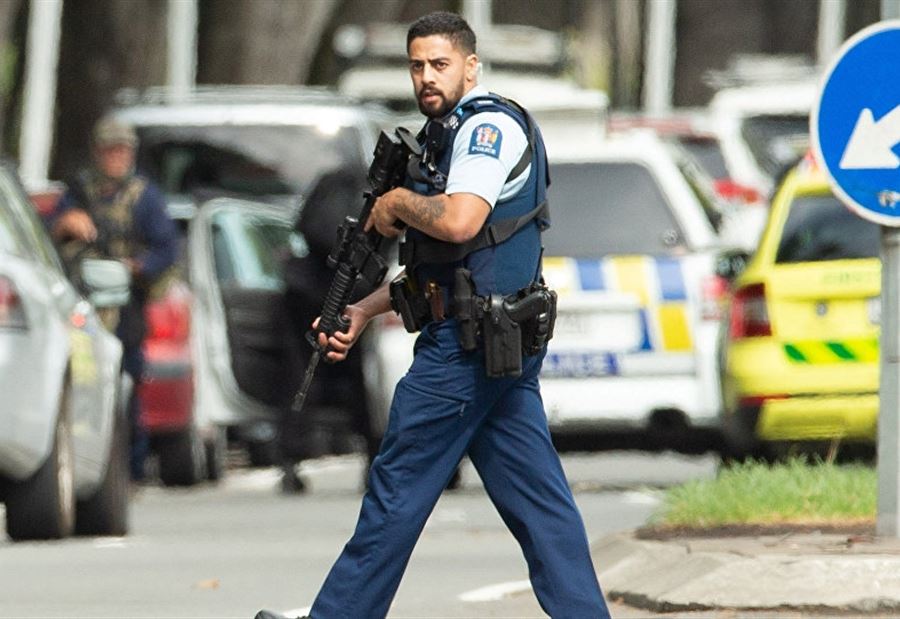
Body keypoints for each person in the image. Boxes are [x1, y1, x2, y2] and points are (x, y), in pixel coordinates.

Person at [257, 11, 609, 619]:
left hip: (464, 352)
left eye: (440, 64)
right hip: (496, 342)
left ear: (471, 66)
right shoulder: (449, 135)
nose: (427, 77)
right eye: (417, 65)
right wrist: (364, 309)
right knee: (541, 507)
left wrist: (397, 201)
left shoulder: (483, 130)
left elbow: (460, 221)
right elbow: (448, 268)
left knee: (395, 496)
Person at [49, 115, 179, 483]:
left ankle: (129, 470)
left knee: (126, 385)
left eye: (122, 150)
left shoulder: (144, 197)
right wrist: (66, 224)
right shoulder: (79, 193)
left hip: (124, 308)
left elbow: (167, 249)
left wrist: (135, 267)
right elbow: (51, 234)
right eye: (110, 150)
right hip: (84, 304)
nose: (116, 157)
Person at [278, 166, 382, 493]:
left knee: (303, 379)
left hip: (319, 294)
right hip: (345, 295)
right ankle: (372, 456)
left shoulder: (329, 186)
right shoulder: (363, 190)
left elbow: (304, 225)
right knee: (359, 382)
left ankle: (292, 462)